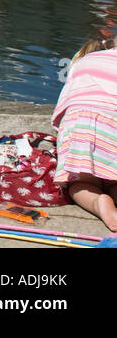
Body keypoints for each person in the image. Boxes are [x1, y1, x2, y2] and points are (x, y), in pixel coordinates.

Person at [52, 31, 117, 232]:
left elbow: (62, 114)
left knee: (80, 185)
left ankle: (99, 203)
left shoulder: (84, 62)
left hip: (80, 126)